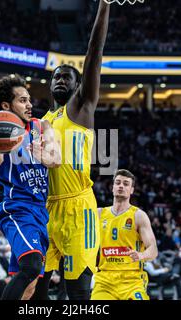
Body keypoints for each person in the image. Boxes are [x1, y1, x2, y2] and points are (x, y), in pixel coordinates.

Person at [34, 0, 111, 300]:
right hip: (48, 209)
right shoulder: (41, 122)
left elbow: (94, 54)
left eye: (68, 77)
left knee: (77, 292)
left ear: (79, 86)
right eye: (56, 76)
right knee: (35, 288)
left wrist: (104, 5)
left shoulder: (80, 108)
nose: (61, 79)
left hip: (80, 209)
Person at [0, 74, 60, 300]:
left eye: (29, 99)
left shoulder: (42, 126)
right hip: (17, 209)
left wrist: (44, 156)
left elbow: (56, 159)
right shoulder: (0, 130)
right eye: (22, 100)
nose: (30, 104)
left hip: (40, 212)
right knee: (31, 266)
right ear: (6, 105)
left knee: (30, 286)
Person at [91, 170, 158, 300]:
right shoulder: (98, 214)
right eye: (118, 183)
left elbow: (153, 249)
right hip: (105, 281)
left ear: (131, 190)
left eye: (126, 184)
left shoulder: (138, 215)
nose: (121, 186)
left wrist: (141, 255)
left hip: (132, 280)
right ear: (113, 188)